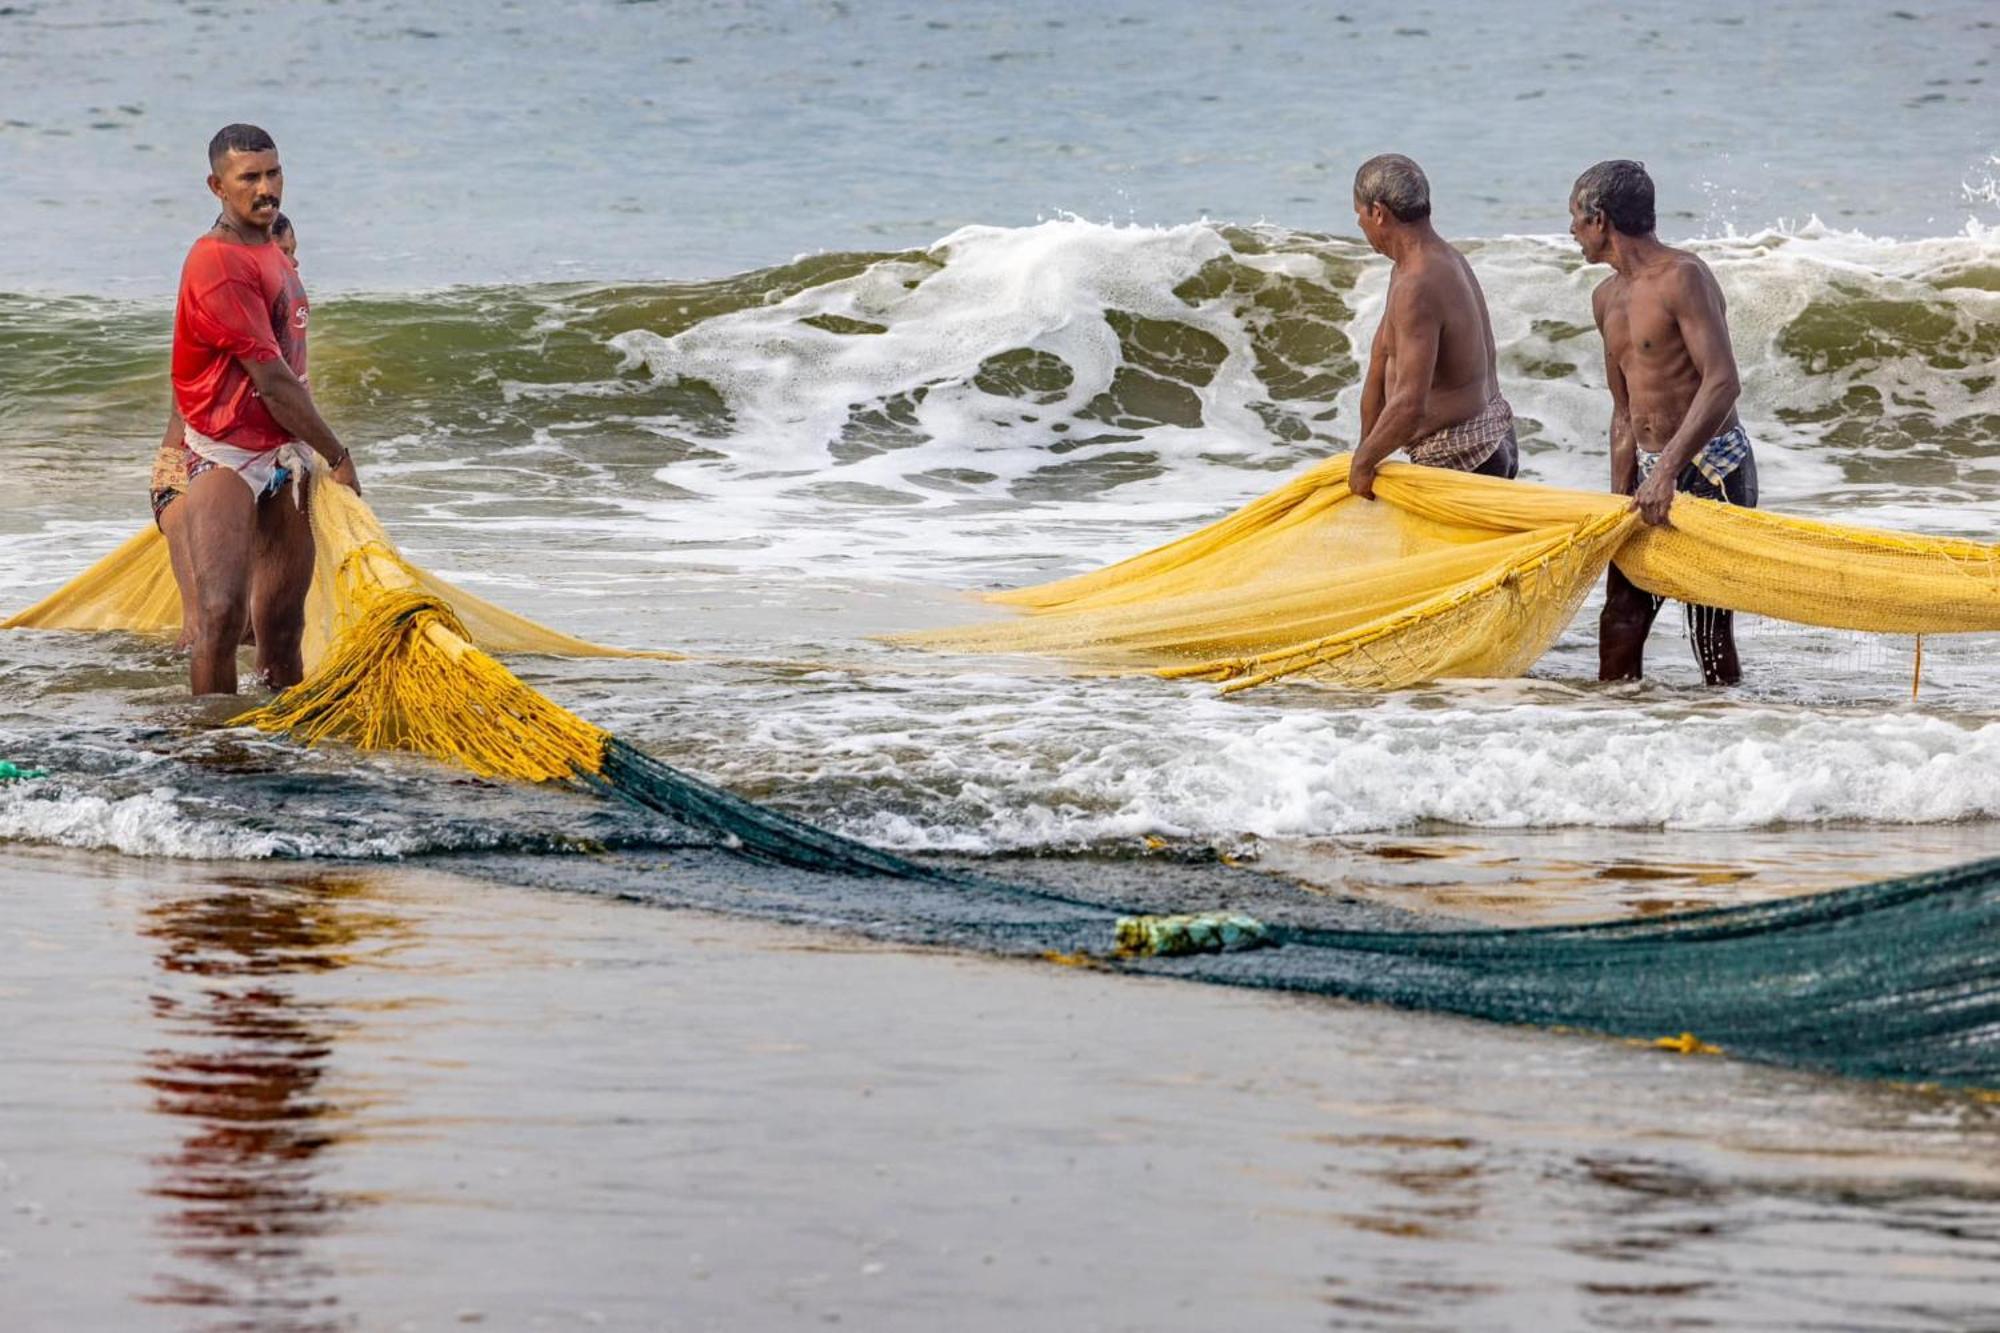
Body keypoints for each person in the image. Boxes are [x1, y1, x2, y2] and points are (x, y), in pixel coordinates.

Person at [171, 125, 358, 694]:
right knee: (222, 615)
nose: (265, 188)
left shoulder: (272, 251)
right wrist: (339, 455)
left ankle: (276, 743)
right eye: (248, 177)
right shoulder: (219, 263)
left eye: (273, 173)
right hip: (222, 456)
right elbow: (273, 382)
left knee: (282, 628)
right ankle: (215, 747)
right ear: (217, 186)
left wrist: (307, 447)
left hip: (283, 456)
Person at [1569, 159, 1756, 685]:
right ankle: (1624, 734)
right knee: (1621, 619)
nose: (1572, 231)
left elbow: (1722, 381)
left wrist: (1667, 472)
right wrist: (1617, 497)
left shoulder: (1683, 277)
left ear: (1600, 219)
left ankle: (1725, 727)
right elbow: (1623, 409)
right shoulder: (1605, 297)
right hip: (1651, 472)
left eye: (1576, 217)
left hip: (1712, 466)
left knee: (1709, 627)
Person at [152, 212, 298, 649]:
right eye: (283, 254)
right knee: (202, 621)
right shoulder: (226, 307)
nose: (292, 267)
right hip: (186, 473)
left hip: (258, 471)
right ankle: (189, 713)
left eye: (294, 255)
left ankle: (253, 709)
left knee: (258, 625)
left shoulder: (277, 318)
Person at [1346, 154, 1519, 501]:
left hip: (1464, 459)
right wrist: (1364, 450)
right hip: (1489, 440)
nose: (1360, 225)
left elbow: (1410, 405)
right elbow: (1381, 362)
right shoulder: (1426, 262)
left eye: (1359, 214)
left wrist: (1363, 465)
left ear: (1378, 212)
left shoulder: (1419, 281)